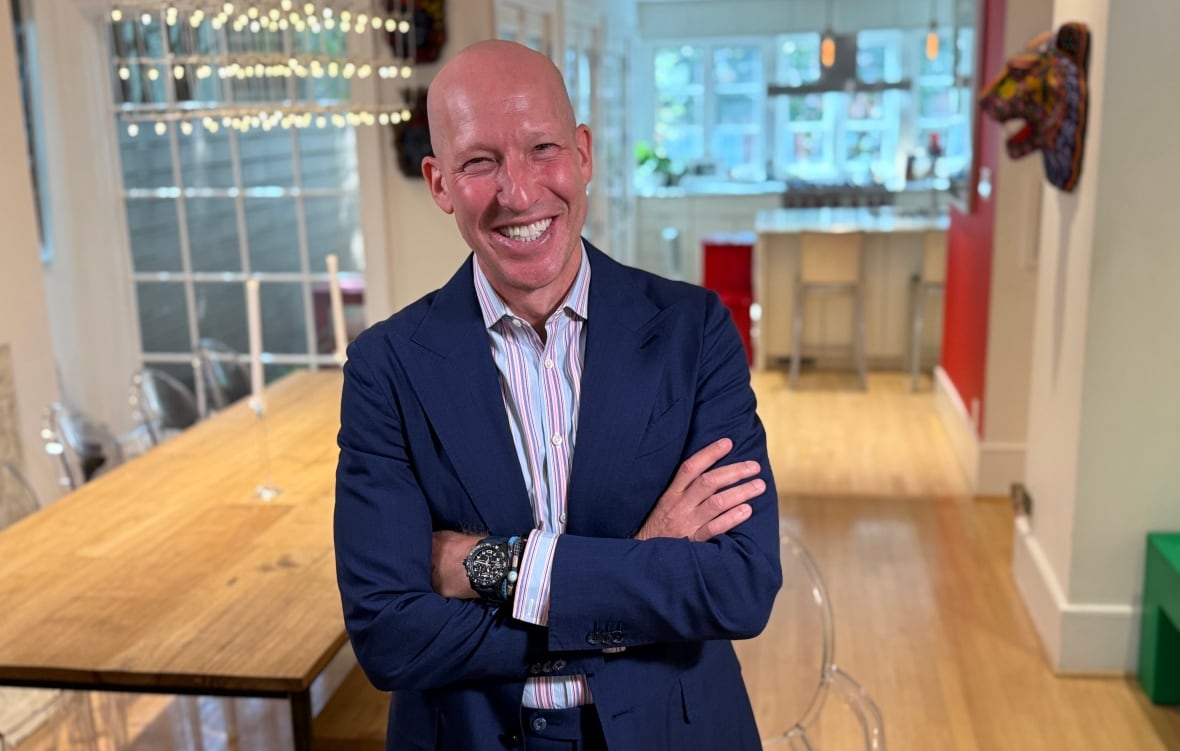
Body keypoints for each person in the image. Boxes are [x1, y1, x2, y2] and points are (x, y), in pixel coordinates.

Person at [334, 39, 781, 751]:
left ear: (583, 154)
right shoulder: (385, 367)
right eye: (480, 161)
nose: (518, 191)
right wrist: (639, 565)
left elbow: (740, 584)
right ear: (440, 182)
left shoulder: (694, 333)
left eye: (542, 147)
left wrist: (488, 566)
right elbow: (389, 635)